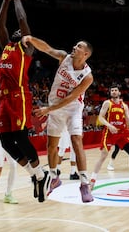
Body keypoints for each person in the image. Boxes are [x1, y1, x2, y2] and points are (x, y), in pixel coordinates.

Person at [0, 0, 50, 203]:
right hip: (4, 100)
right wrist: (5, 1)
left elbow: (22, 19)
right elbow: (0, 25)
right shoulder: (7, 46)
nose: (18, 30)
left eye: (21, 31)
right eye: (16, 31)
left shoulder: (26, 48)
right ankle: (37, 175)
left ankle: (40, 173)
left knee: (20, 137)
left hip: (19, 95)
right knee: (5, 141)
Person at [22, 34, 94, 203]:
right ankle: (54, 177)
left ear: (86, 54)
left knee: (77, 141)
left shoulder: (87, 76)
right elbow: (46, 48)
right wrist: (31, 39)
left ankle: (84, 184)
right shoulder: (64, 57)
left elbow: (71, 97)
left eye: (79, 46)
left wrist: (48, 110)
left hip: (73, 109)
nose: (75, 47)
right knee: (51, 145)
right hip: (55, 106)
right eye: (76, 45)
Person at [90, 84, 129, 190]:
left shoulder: (124, 106)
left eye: (116, 90)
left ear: (119, 93)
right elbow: (100, 118)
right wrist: (109, 125)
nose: (114, 92)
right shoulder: (107, 103)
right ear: (110, 93)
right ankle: (92, 181)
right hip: (110, 132)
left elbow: (128, 120)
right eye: (112, 91)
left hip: (122, 132)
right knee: (103, 156)